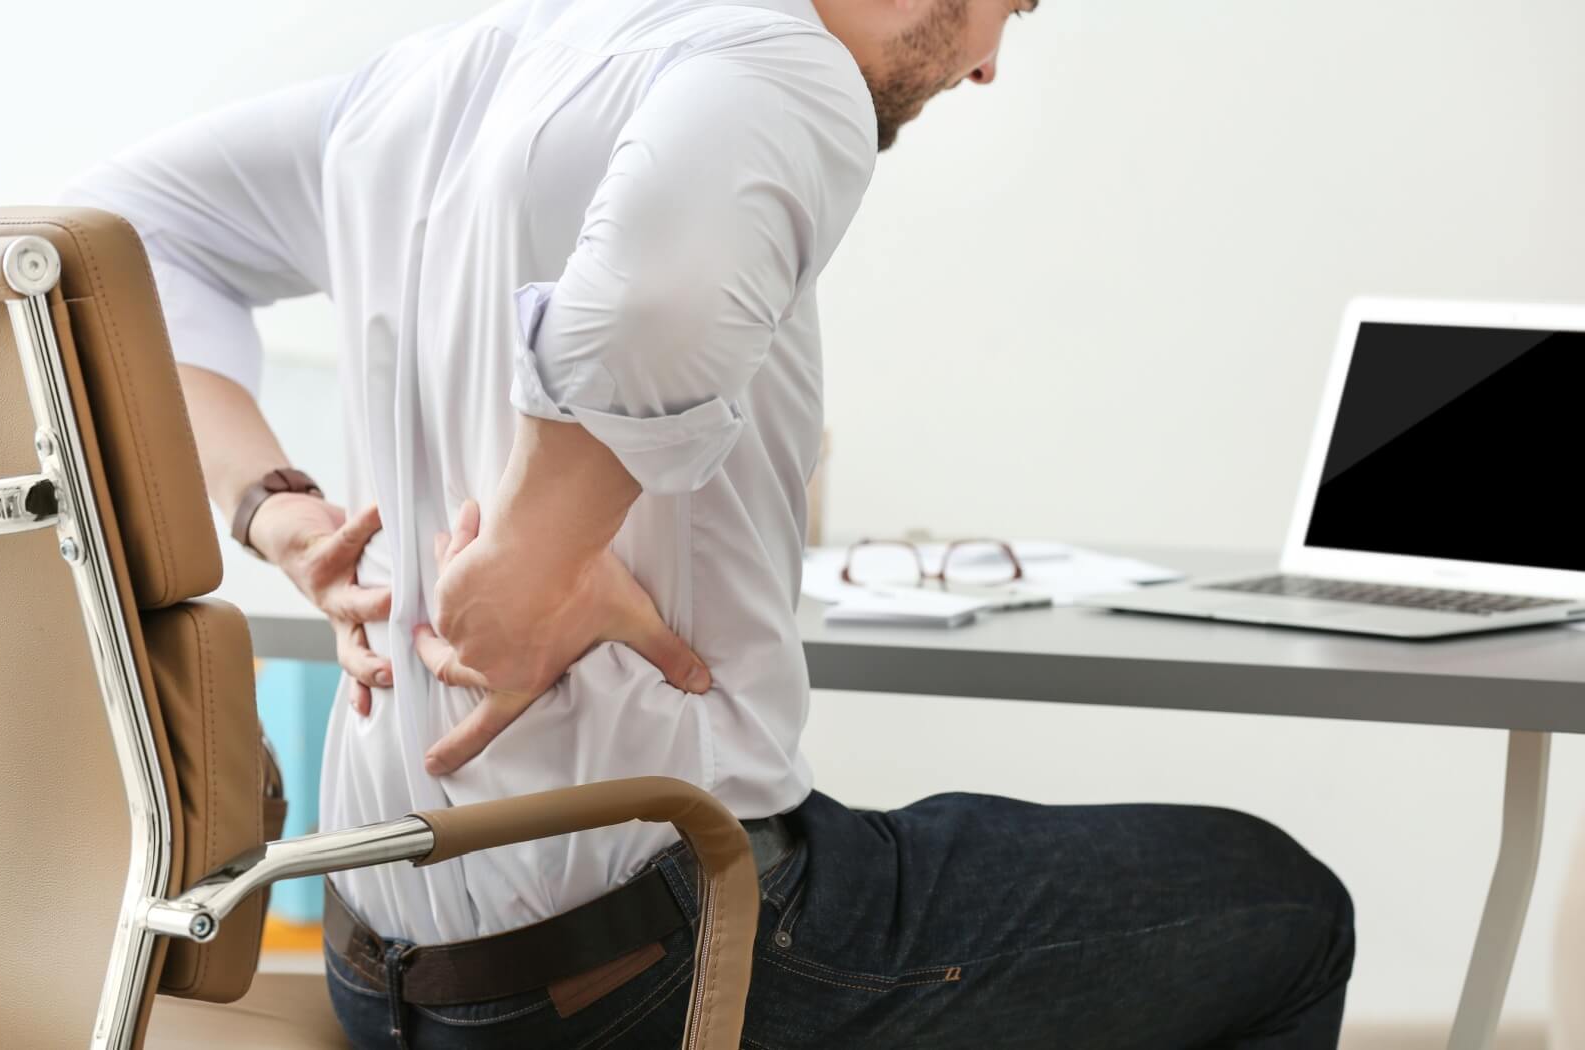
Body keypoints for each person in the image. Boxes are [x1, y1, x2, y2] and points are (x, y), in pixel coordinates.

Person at [67, 1, 1355, 1046]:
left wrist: (275, 509)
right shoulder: (781, 63)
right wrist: (528, 565)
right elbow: (655, 309)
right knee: (1281, 904)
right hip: (647, 967)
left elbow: (117, 236)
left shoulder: (447, 74)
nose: (991, 65)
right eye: (1013, 5)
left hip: (380, 952)